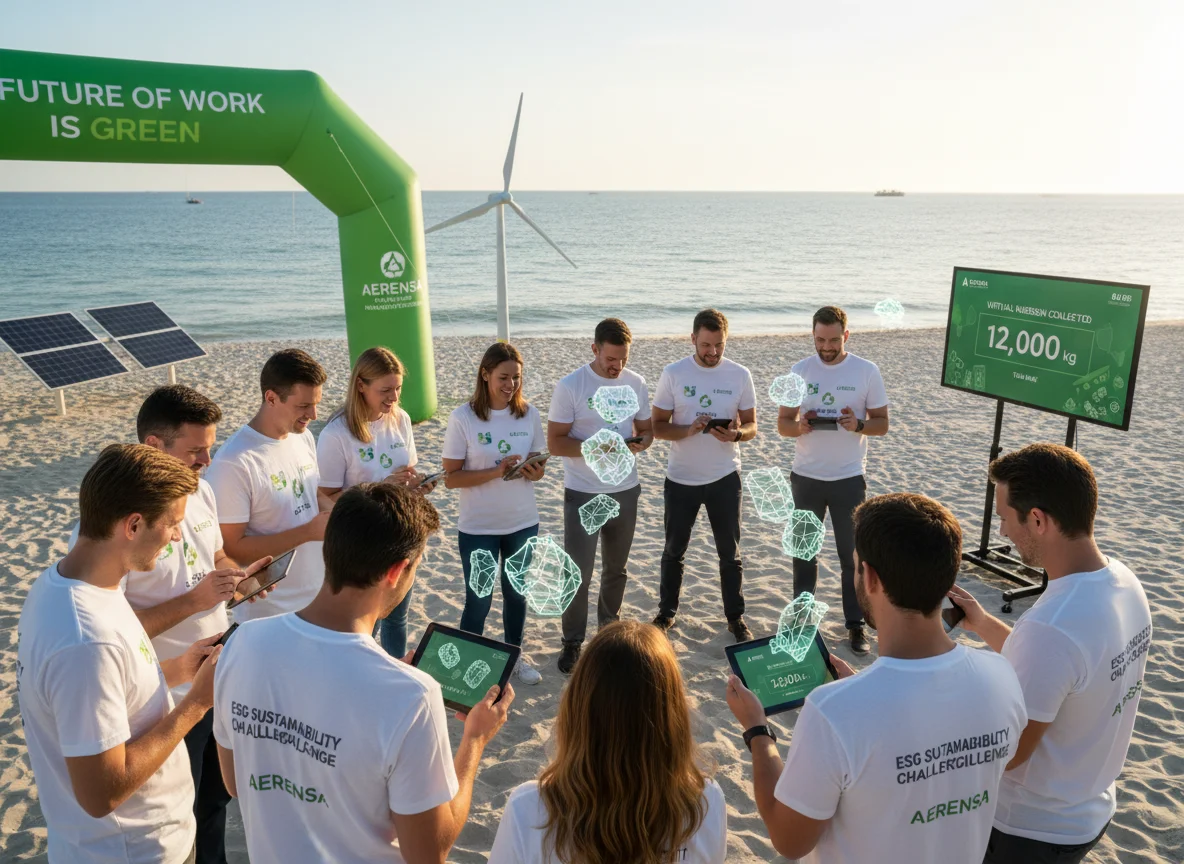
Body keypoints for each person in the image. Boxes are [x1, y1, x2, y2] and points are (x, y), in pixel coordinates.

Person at [214, 482, 515, 863]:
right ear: (397, 571)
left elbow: (237, 782)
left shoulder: (241, 644)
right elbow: (429, 853)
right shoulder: (411, 696)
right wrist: (474, 740)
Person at [726, 493, 1027, 863]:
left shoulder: (833, 710)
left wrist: (757, 732)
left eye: (854, 566)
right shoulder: (1002, 675)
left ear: (869, 577)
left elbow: (790, 841)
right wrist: (867, 686)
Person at [17, 444, 228, 864]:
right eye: (171, 524)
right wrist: (195, 705)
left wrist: (178, 669)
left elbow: (111, 695)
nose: (176, 537)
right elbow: (102, 793)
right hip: (132, 851)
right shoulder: (85, 640)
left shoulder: (65, 583)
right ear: (133, 525)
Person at [948, 444, 1152, 864]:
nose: (1002, 531)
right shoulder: (1124, 581)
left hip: (1028, 830)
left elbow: (1008, 752)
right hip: (1090, 808)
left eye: (1005, 517)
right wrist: (982, 622)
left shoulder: (1052, 626)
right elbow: (1063, 675)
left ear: (1037, 519)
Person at [489, 621, 726, 863]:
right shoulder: (706, 802)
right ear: (673, 717)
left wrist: (474, 740)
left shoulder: (529, 809)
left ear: (577, 709)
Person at [778, 305, 889, 655]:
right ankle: (801, 623)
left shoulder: (866, 371)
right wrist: (801, 426)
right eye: (820, 339)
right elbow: (783, 424)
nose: (826, 347)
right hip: (806, 477)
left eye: (833, 340)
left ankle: (855, 624)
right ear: (812, 335)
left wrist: (858, 425)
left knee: (851, 557)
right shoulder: (799, 371)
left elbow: (882, 423)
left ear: (846, 335)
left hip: (848, 478)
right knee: (803, 554)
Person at [547, 317, 653, 674]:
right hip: (584, 492)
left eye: (622, 359)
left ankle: (608, 634)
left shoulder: (635, 382)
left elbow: (647, 430)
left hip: (625, 489)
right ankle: (572, 642)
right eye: (610, 359)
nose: (616, 366)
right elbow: (555, 442)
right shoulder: (571, 386)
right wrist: (598, 448)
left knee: (616, 569)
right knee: (577, 572)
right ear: (594, 349)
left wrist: (638, 445)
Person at [317, 346, 434, 659]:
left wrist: (417, 483)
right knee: (364, 623)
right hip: (362, 544)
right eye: (385, 390)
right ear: (360, 386)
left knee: (397, 616)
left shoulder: (401, 420)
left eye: (398, 388)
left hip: (401, 534)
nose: (394, 398)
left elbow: (405, 472)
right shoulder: (336, 434)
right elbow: (324, 498)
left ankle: (395, 671)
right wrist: (379, 488)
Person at [442, 342, 547, 685]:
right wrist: (495, 471)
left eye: (517, 377)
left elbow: (538, 463)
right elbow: (451, 478)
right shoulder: (463, 418)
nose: (511, 384)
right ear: (485, 374)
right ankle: (464, 665)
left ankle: (512, 657)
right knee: (479, 599)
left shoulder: (528, 413)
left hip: (522, 521)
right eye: (504, 377)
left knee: (516, 595)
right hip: (479, 526)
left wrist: (534, 471)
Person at [651, 308, 757, 642]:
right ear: (693, 338)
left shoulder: (740, 374)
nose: (712, 352)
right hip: (681, 478)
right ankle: (667, 613)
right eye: (706, 345)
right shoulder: (673, 373)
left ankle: (735, 617)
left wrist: (737, 435)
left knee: (730, 552)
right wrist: (688, 430)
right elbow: (656, 427)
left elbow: (752, 425)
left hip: (725, 477)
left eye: (719, 345)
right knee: (674, 550)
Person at [206, 348, 330, 623]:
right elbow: (230, 548)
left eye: (316, 403)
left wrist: (344, 514)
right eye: (304, 406)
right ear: (271, 398)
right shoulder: (234, 462)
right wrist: (308, 532)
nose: (314, 414)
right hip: (270, 613)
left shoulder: (303, 437)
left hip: (317, 598)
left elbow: (313, 492)